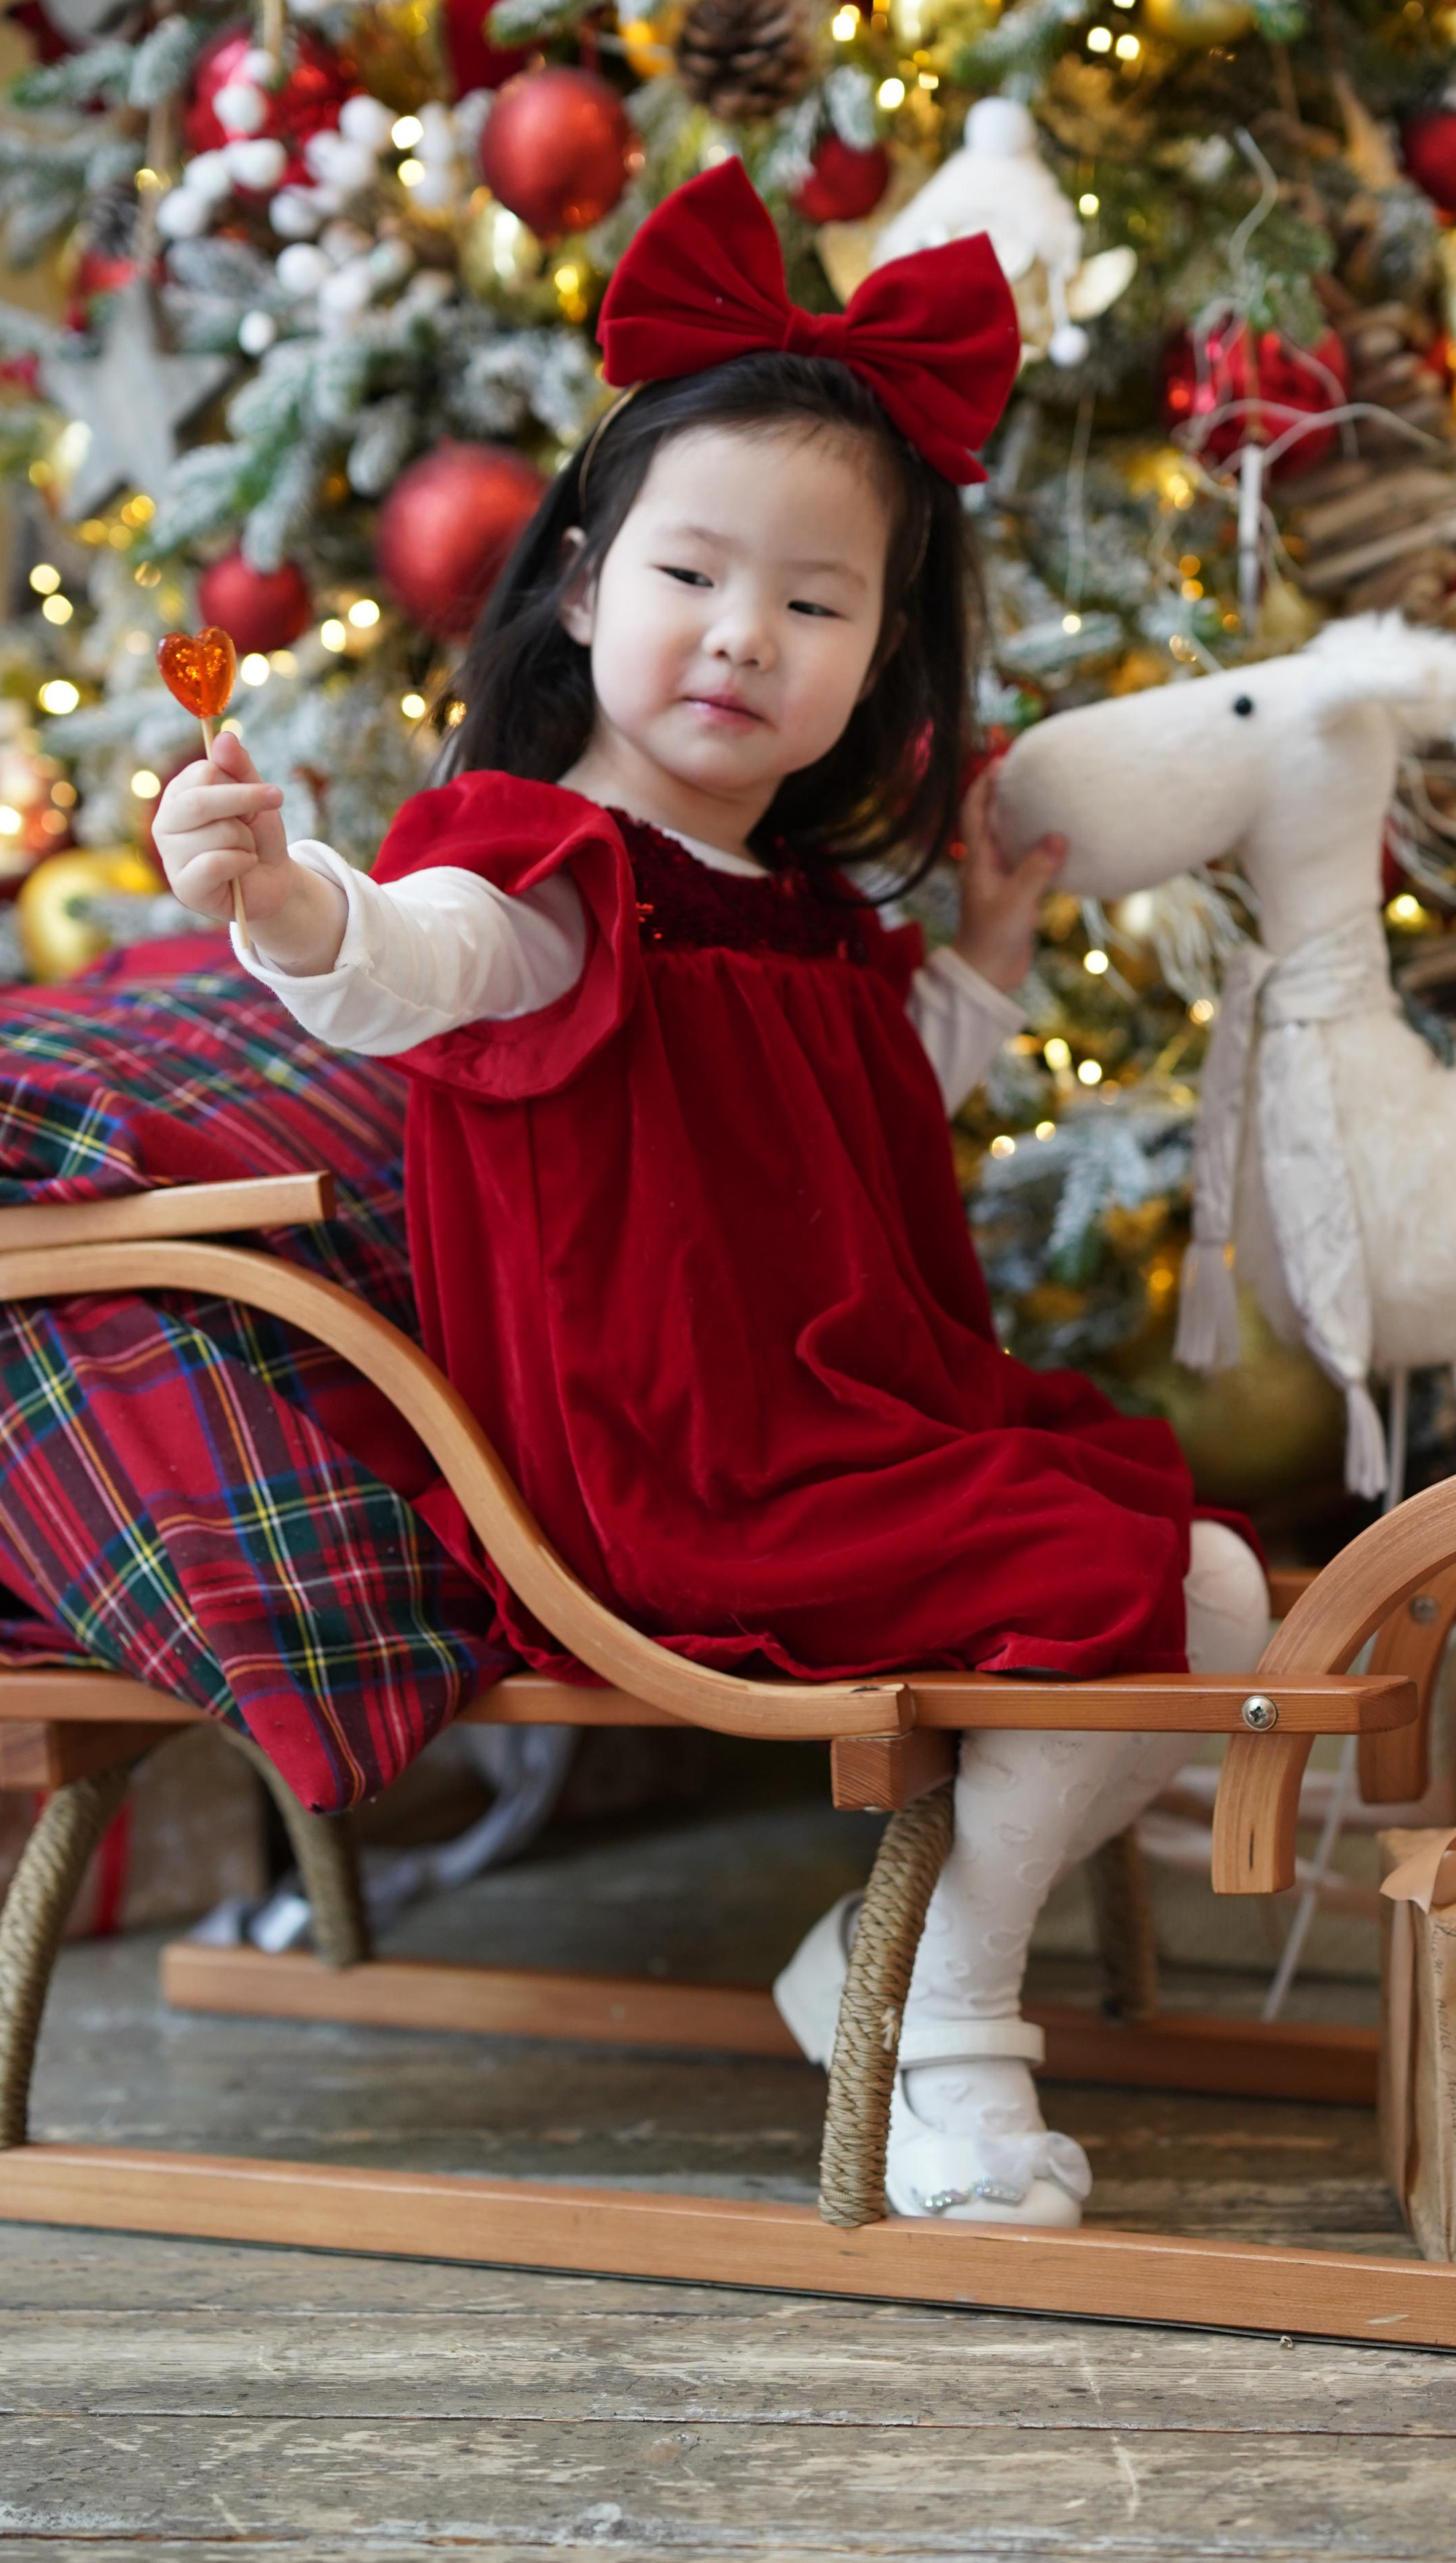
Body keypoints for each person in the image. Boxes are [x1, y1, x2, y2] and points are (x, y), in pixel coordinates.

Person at [153, 160, 1270, 2229]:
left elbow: (857, 1118)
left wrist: (993, 973)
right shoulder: (539, 873)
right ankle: (944, 2019)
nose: (746, 635)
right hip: (665, 1463)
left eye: (817, 603)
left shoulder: (807, 908)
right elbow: (420, 973)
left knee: (1208, 1586)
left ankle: (896, 1958)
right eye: (692, 574)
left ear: (878, 662)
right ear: (581, 588)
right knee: (1138, 1591)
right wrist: (289, 898)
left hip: (847, 1422)